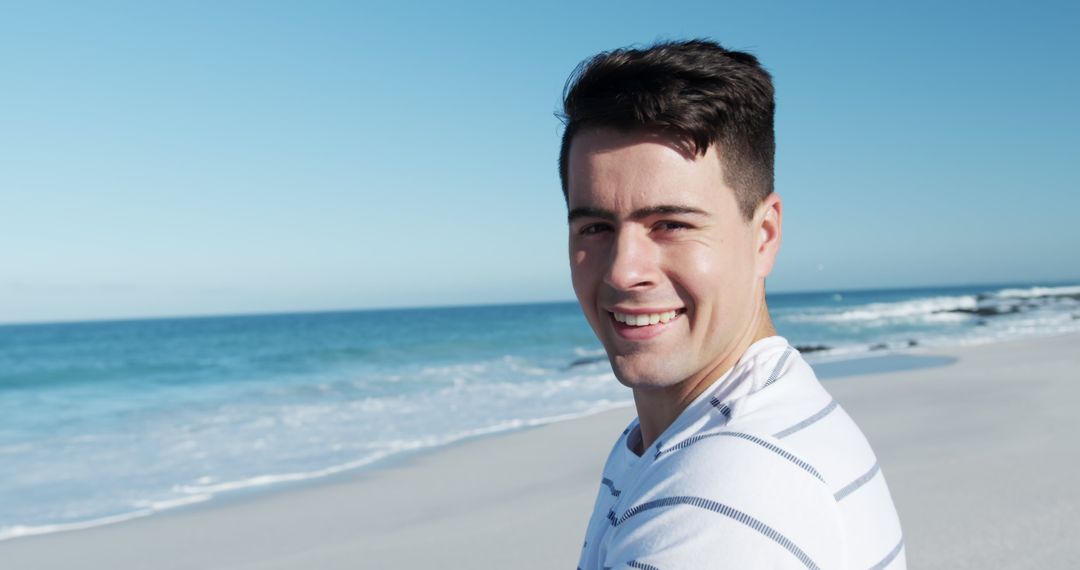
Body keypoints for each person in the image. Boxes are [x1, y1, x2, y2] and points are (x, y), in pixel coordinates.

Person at [560, 39, 905, 570]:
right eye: (596, 227)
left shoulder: (726, 497)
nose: (623, 270)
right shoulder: (690, 433)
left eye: (670, 225)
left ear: (763, 235)